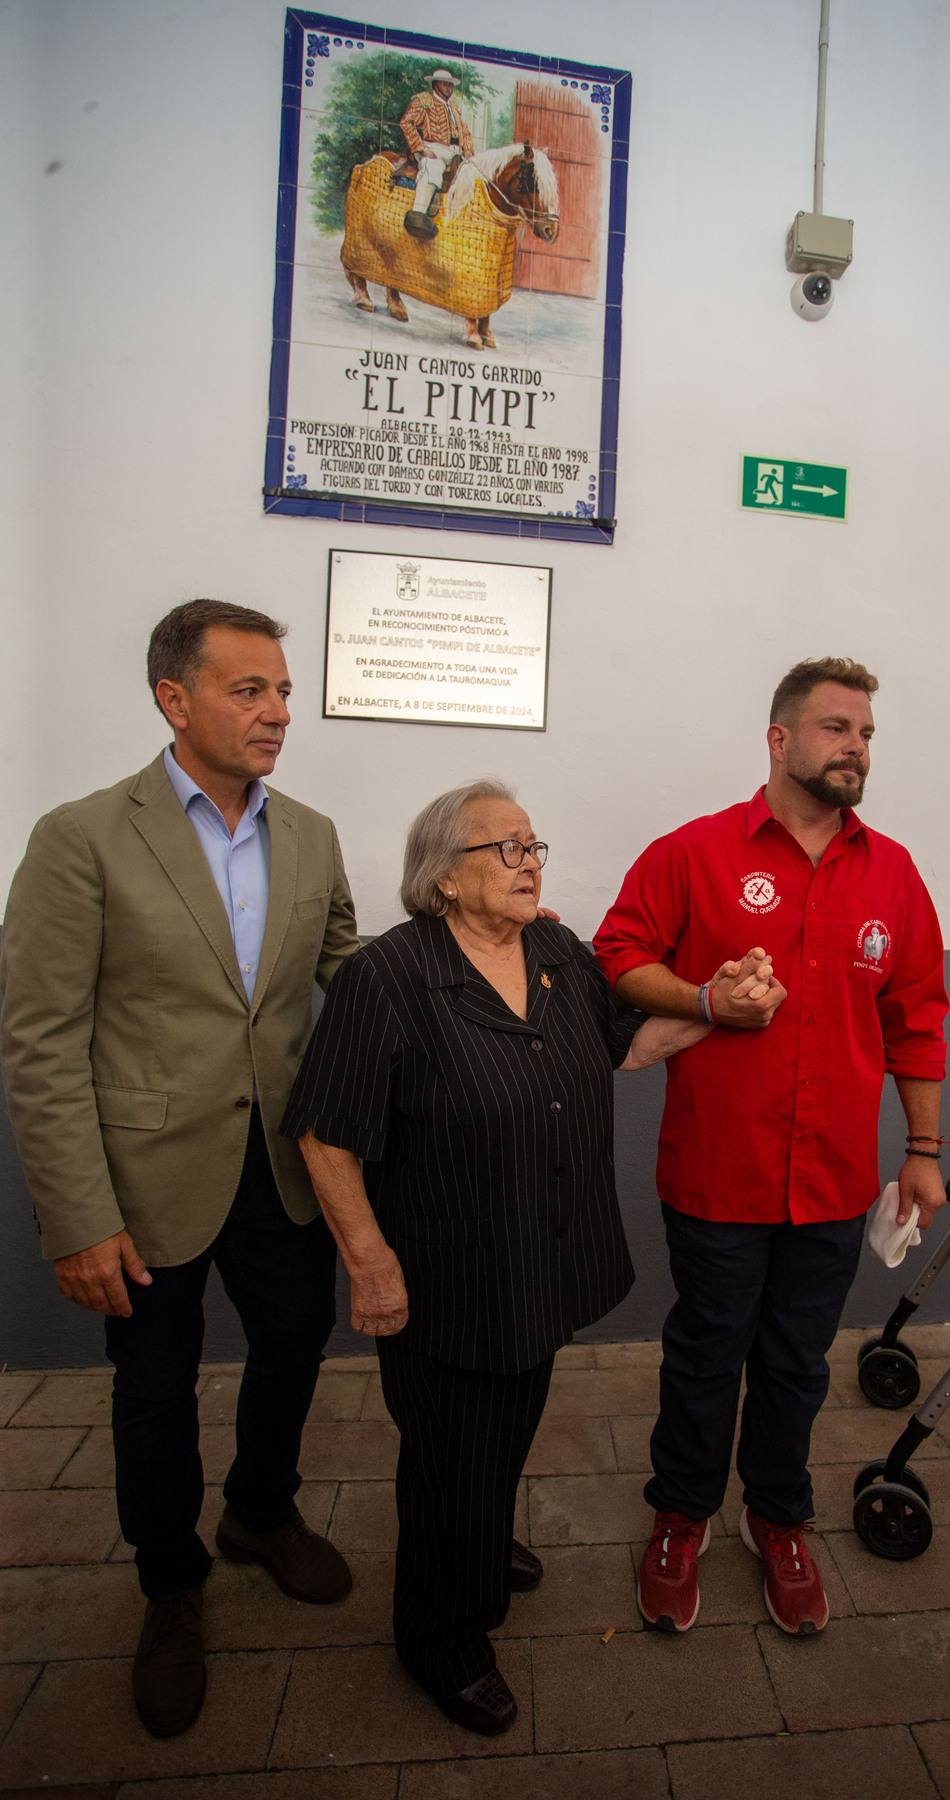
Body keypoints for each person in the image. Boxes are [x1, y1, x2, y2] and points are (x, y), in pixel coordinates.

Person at [281, 778, 763, 1737]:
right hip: (449, 1275)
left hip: (540, 1262)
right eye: (504, 848)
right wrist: (368, 1260)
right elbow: (324, 1134)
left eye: (534, 844)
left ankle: (480, 1538)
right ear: (443, 878)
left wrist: (723, 1005)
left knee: (502, 1432)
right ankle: (442, 1638)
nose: (530, 861)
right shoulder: (390, 977)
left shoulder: (552, 949)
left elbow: (625, 1047)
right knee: (447, 1459)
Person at [0, 600, 359, 1738]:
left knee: (297, 1343)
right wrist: (74, 1217)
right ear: (176, 699)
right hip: (145, 1178)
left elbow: (348, 972)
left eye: (284, 692)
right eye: (250, 690)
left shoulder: (311, 834)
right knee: (153, 1388)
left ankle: (259, 1511)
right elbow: (41, 1038)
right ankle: (169, 1584)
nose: (277, 713)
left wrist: (489, 968)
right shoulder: (83, 836)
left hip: (282, 1163)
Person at [592, 656, 949, 1638]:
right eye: (837, 728)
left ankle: (778, 1514)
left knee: (798, 1361)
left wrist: (922, 1147)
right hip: (718, 1168)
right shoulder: (695, 853)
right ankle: (681, 1513)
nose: (856, 748)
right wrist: (706, 997)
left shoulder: (893, 872)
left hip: (833, 1178)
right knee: (706, 1352)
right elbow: (617, 956)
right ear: (780, 738)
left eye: (867, 733)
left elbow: (917, 1019)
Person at [398, 68, 475, 238]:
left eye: (450, 85)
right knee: (433, 169)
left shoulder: (454, 107)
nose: (448, 88)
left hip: (455, 153)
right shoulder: (424, 101)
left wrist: (468, 149)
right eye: (444, 84)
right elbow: (406, 122)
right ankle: (418, 214)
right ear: (436, 85)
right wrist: (420, 149)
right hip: (432, 149)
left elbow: (465, 131)